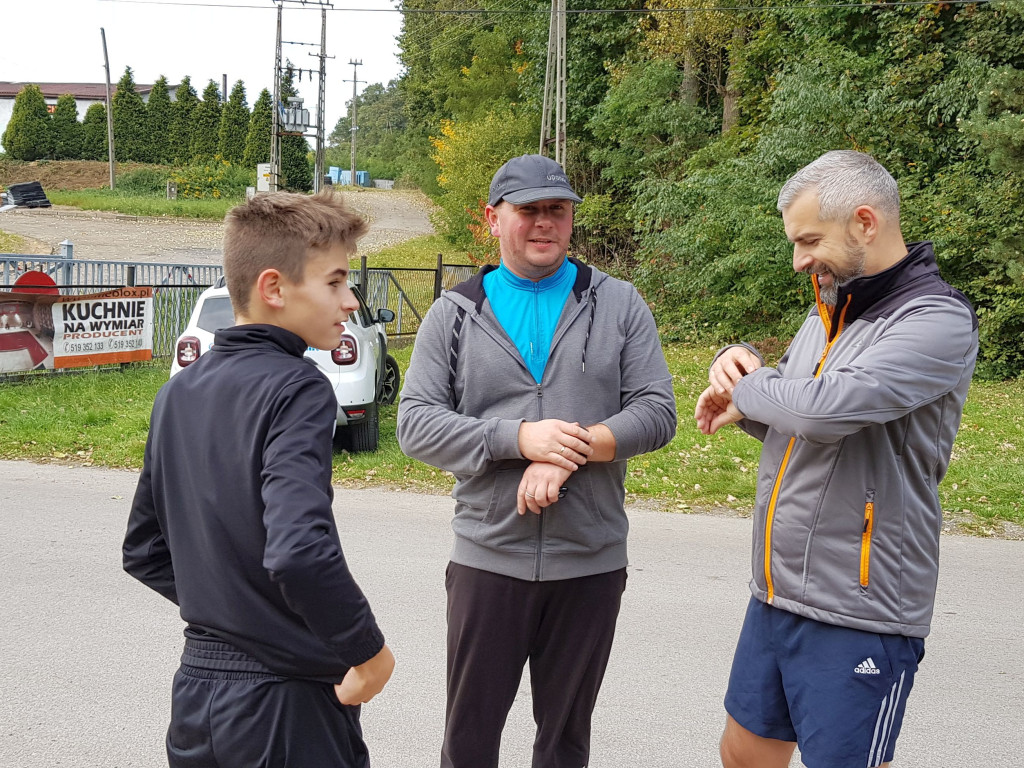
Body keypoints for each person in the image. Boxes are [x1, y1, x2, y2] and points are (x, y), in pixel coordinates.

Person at [695, 150, 978, 768]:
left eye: (809, 241)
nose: (799, 261)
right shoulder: (827, 314)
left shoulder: (936, 321)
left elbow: (822, 411)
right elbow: (803, 426)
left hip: (860, 609)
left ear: (865, 222)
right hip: (776, 594)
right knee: (743, 754)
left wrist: (751, 384)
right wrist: (741, 390)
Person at [397, 153, 677, 768]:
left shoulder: (619, 304)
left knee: (565, 745)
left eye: (557, 210)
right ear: (493, 219)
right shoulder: (455, 313)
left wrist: (568, 449)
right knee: (468, 742)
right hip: (488, 558)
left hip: (590, 561)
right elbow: (415, 425)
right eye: (528, 211)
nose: (544, 223)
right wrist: (519, 439)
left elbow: (657, 410)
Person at [123, 190, 395, 768]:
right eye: (335, 282)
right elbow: (299, 550)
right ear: (274, 288)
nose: (349, 301)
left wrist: (231, 612)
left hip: (196, 700)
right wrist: (367, 652)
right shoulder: (298, 388)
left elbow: (144, 551)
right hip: (286, 710)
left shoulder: (177, 392)